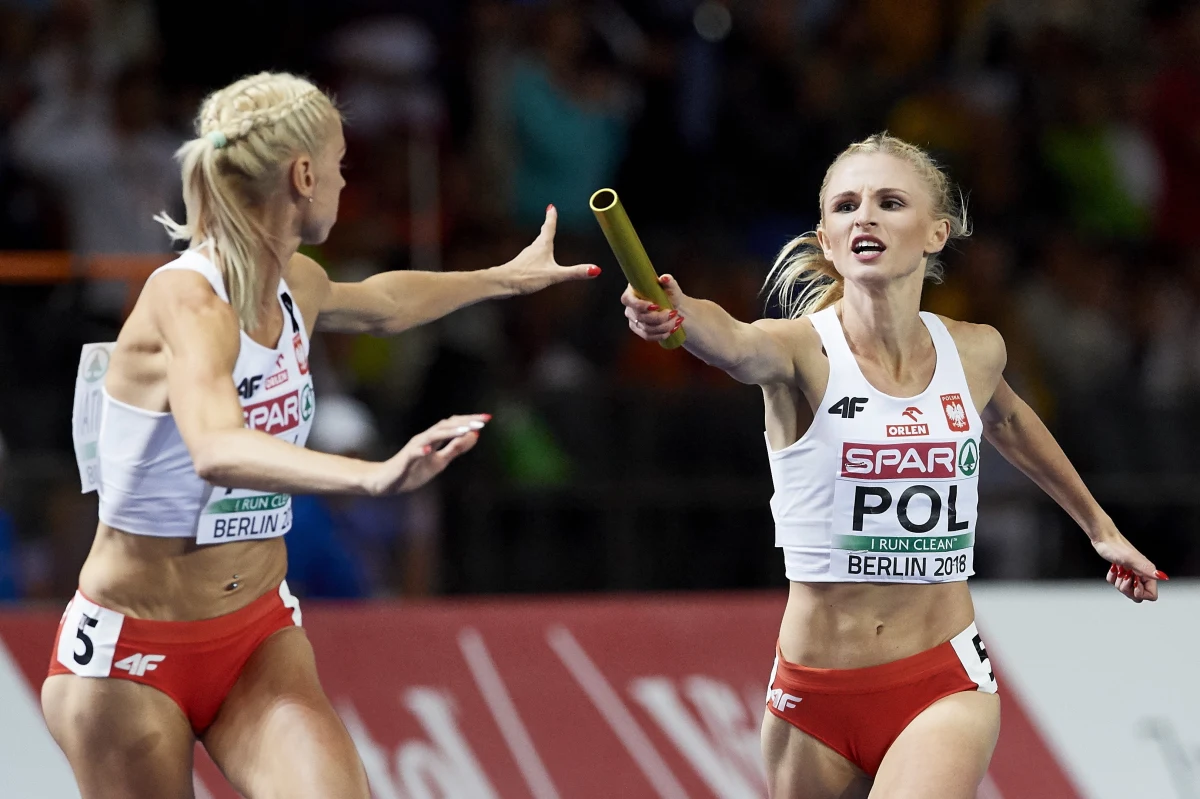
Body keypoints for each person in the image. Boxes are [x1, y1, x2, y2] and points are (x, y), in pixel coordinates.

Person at [42, 71, 600, 799]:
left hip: (255, 635)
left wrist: (502, 278)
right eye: (340, 163)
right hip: (130, 652)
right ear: (303, 174)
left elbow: (381, 303)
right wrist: (370, 476)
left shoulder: (295, 282)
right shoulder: (187, 299)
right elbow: (214, 445)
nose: (344, 179)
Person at [621, 133, 1165, 798]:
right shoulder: (798, 353)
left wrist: (1099, 525)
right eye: (846, 205)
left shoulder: (975, 351)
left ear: (936, 232)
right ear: (826, 238)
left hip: (941, 680)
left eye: (889, 201)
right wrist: (680, 314)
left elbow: (1011, 420)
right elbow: (731, 338)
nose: (865, 216)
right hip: (812, 695)